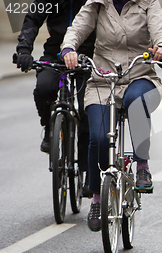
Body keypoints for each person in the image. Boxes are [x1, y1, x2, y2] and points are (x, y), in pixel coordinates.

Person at [61, 0, 162, 231]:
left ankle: (142, 163)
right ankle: (96, 199)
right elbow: (78, 27)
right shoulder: (97, 3)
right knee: (99, 138)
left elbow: (160, 29)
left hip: (139, 75)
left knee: (135, 101)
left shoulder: (147, 2)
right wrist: (69, 48)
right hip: (102, 80)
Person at [15, 0, 95, 197]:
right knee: (44, 89)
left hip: (88, 54)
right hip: (56, 52)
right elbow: (33, 19)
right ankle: (50, 128)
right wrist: (24, 51)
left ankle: (87, 171)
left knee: (88, 107)